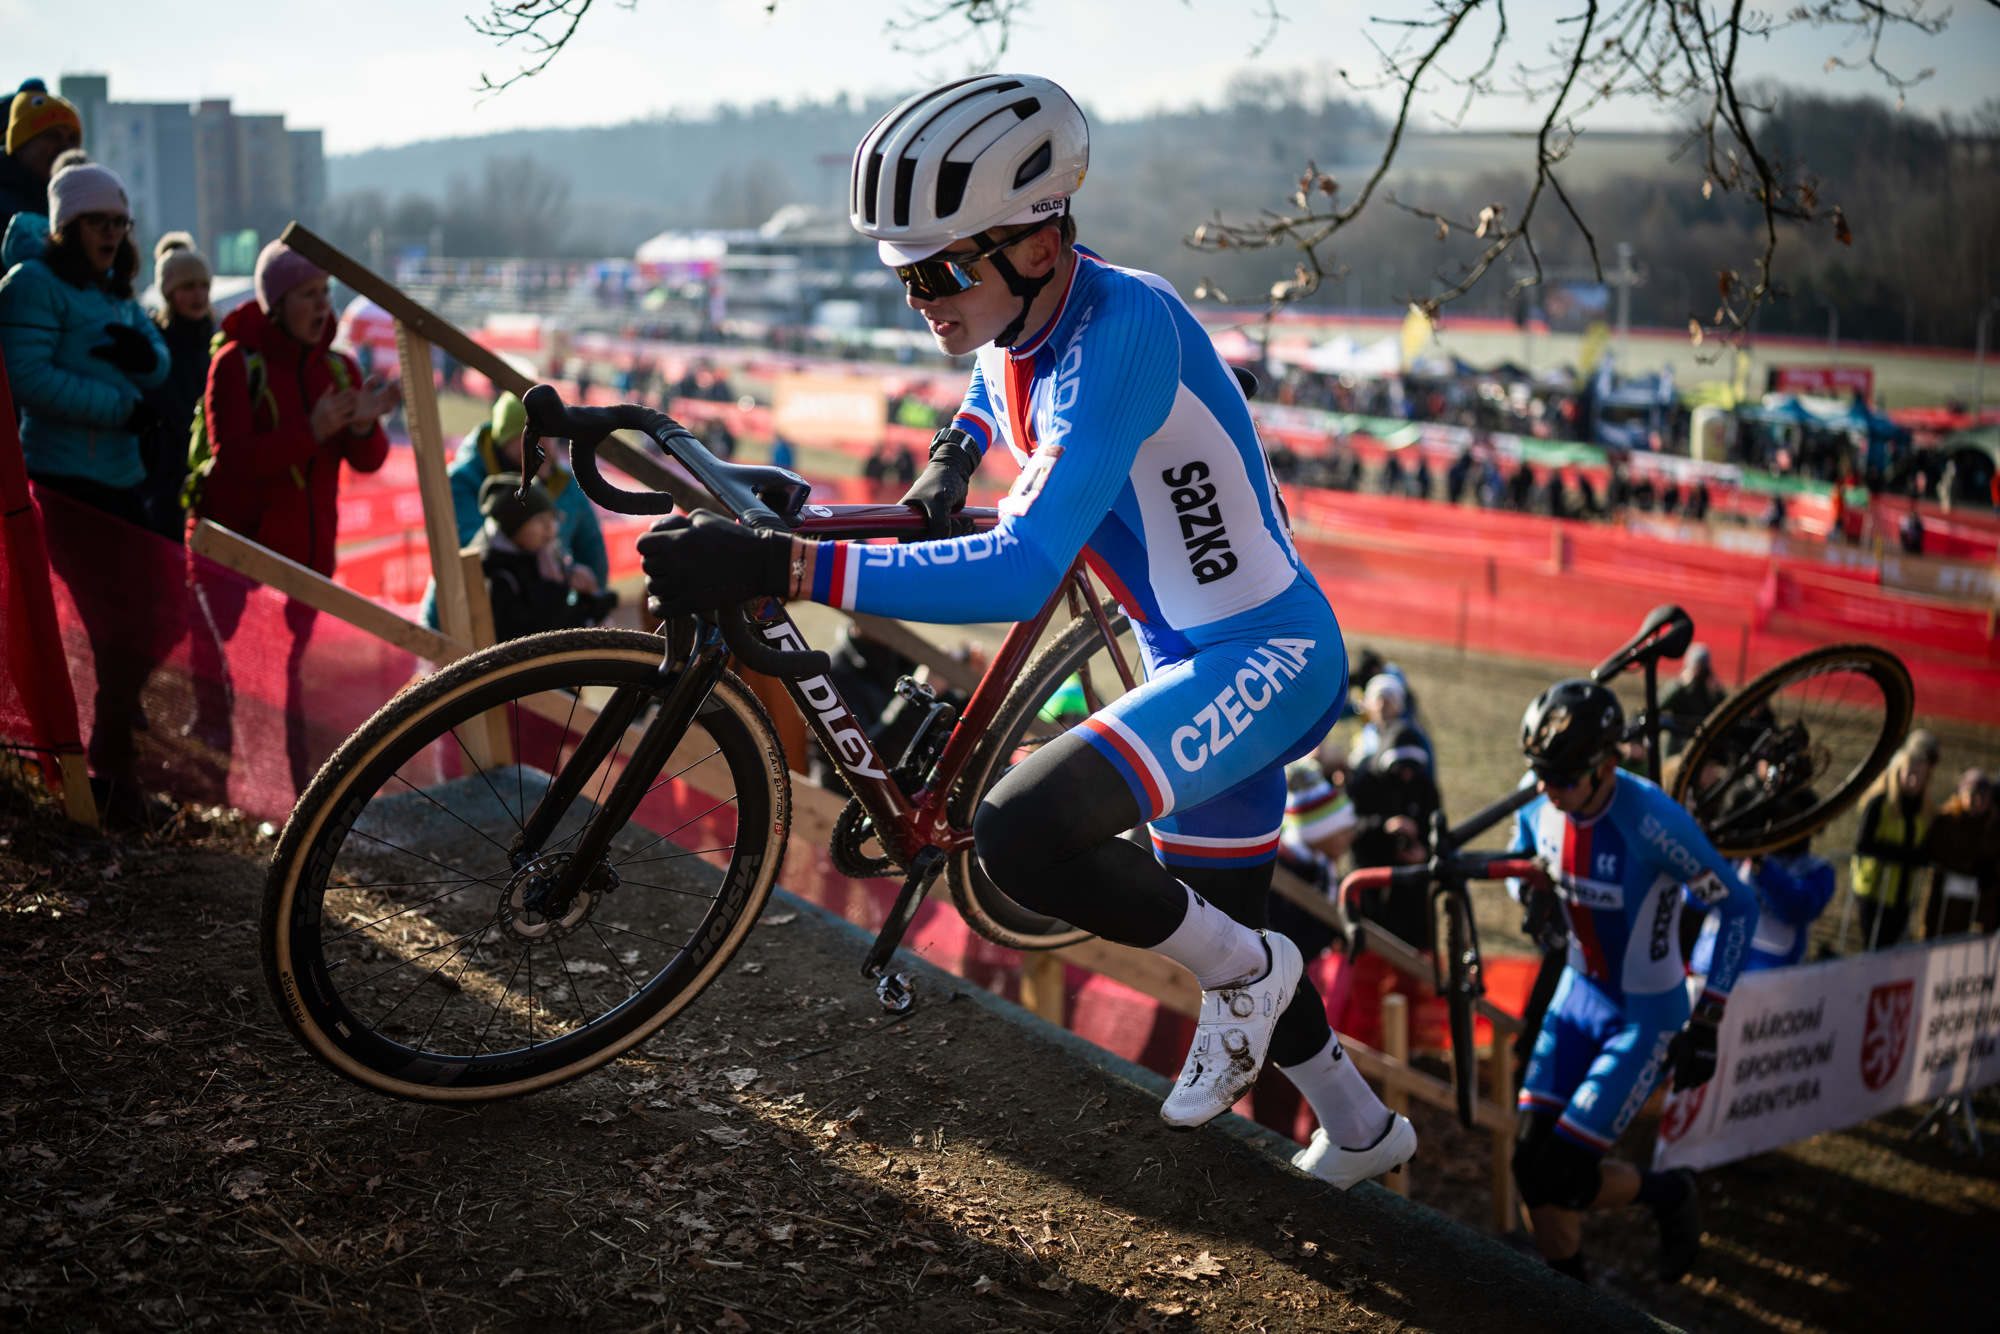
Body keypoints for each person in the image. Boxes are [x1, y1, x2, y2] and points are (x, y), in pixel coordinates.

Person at [635, 73, 1413, 1189]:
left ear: (1040, 244)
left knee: (1021, 836)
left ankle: (1255, 981)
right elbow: (988, 384)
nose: (919, 299)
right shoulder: (1025, 316)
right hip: (1187, 654)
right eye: (902, 274)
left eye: (940, 271)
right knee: (1229, 940)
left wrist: (782, 566)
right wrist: (953, 456)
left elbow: (1018, 567)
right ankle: (1364, 1127)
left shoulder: (1122, 332)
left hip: (1266, 659)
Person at [1508, 679, 1758, 1285]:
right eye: (1539, 773)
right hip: (1576, 996)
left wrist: (1708, 1018)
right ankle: (1569, 1299)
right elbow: (1520, 860)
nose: (1547, 789)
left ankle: (1670, 1193)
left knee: (1561, 1177)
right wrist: (1527, 893)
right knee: (1528, 1169)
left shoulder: (1652, 820)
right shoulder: (1541, 801)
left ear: (1605, 764)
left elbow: (1739, 906)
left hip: (1645, 1016)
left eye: (1562, 778)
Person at [187, 238, 400, 788]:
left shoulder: (341, 367)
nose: (323, 305)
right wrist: (314, 429)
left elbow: (368, 461)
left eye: (325, 291)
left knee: (302, 695)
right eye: (308, 293)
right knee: (237, 688)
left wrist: (362, 425)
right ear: (276, 304)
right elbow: (234, 460)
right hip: (241, 563)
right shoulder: (235, 364)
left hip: (310, 562)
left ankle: (299, 806)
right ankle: (220, 793)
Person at [0, 156, 172, 786]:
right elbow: (24, 377)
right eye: (99, 222)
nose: (112, 234)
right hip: (66, 485)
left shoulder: (110, 286)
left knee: (155, 622)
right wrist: (121, 408)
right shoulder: (32, 283)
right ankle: (106, 771)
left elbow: (156, 356)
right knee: (118, 633)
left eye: (120, 223)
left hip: (123, 481)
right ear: (67, 225)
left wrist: (146, 360)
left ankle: (110, 760)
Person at [422, 391, 608, 629]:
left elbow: (593, 553)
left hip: (535, 622)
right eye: (537, 437)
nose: (547, 447)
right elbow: (472, 558)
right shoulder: (463, 482)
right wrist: (556, 572)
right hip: (459, 625)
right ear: (507, 441)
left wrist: (581, 585)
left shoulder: (566, 485)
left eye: (551, 437)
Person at [472, 474, 619, 641]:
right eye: (539, 520)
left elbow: (570, 618)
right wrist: (552, 585)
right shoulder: (497, 575)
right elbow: (529, 636)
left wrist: (588, 596)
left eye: (553, 518)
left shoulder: (539, 553)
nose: (551, 528)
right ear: (513, 525)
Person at [138, 232, 214, 539]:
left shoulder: (216, 343)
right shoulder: (154, 348)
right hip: (163, 486)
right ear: (169, 293)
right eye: (188, 286)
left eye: (204, 286)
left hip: (207, 482)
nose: (199, 294)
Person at [1850, 730, 1939, 950]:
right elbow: (1862, 844)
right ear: (1899, 770)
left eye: (1920, 775)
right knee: (1873, 948)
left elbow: (1925, 849)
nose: (1914, 780)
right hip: (1873, 892)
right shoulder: (1879, 803)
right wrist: (1904, 856)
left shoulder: (1925, 811)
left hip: (1903, 895)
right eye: (1910, 773)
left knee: (1891, 951)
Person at [0, 81, 82, 252]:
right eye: (53, 136)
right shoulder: (5, 208)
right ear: (20, 145)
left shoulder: (78, 202)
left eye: (72, 138)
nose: (66, 148)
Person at [1925, 768, 1997, 938]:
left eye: (1984, 796)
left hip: (1980, 906)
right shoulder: (1946, 820)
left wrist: (1991, 871)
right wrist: (1971, 867)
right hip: (1944, 904)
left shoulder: (1994, 826)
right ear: (1961, 795)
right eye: (1973, 794)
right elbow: (1938, 853)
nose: (1978, 801)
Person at [1659, 643, 1725, 758]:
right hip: (1676, 747)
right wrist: (1680, 683)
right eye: (1696, 666)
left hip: (1699, 747)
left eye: (1702, 667)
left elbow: (1722, 714)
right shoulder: (1679, 687)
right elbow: (1658, 704)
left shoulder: (1709, 690)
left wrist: (1718, 694)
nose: (1699, 672)